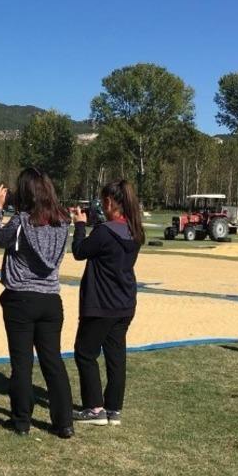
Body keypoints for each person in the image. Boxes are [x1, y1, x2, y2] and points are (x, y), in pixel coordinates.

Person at [0, 168, 74, 438]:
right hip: (50, 299)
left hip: (21, 298)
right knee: (53, 363)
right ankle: (64, 423)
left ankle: (22, 420)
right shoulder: (62, 222)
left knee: (22, 363)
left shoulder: (21, 222)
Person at [67, 179, 144, 427]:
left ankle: (95, 408)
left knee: (85, 353)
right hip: (124, 303)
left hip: (101, 303)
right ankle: (114, 408)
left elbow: (79, 251)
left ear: (109, 202)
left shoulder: (104, 232)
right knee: (116, 356)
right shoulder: (135, 231)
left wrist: (79, 225)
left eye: (102, 201)